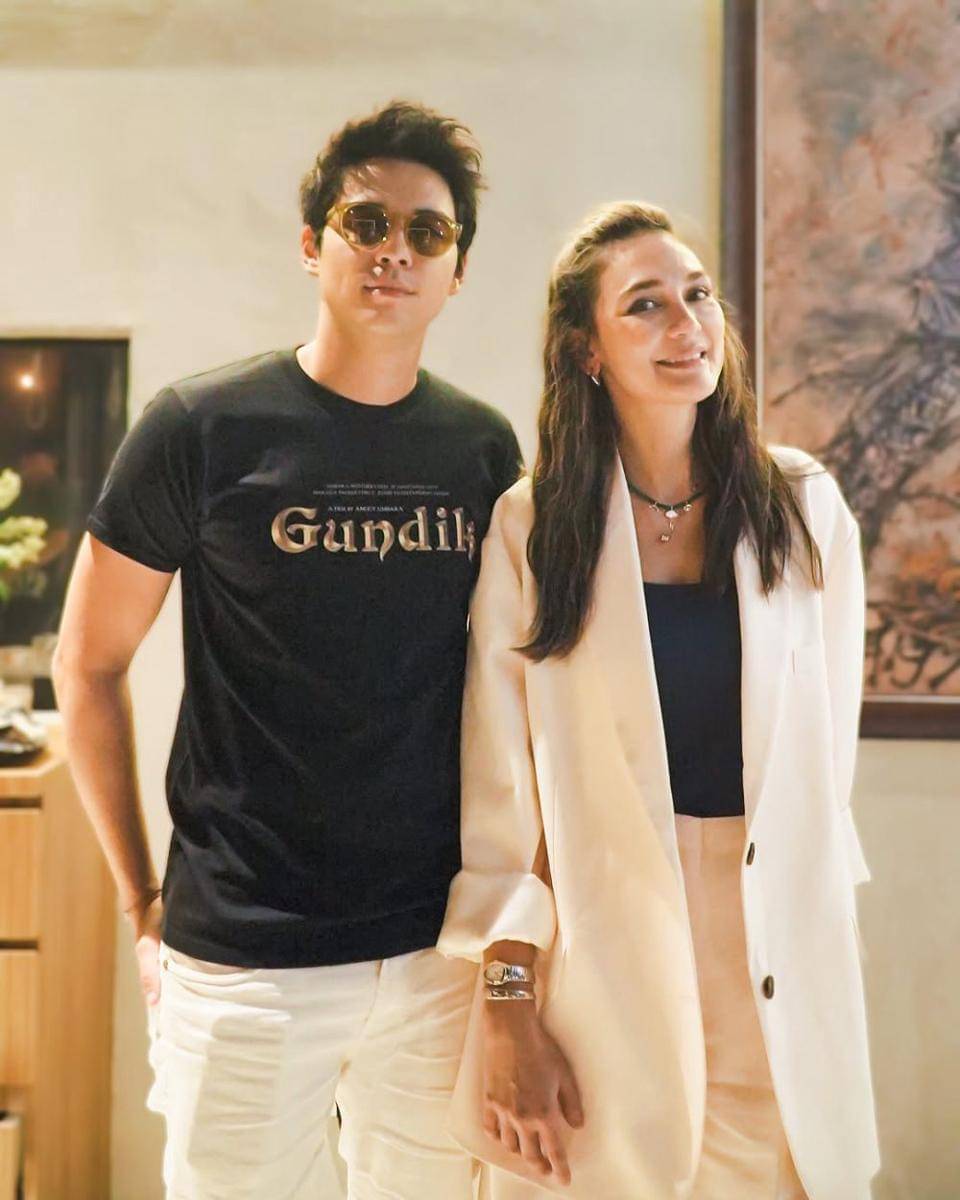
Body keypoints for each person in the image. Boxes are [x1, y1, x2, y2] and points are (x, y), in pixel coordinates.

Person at [52, 100, 522, 1200]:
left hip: (433, 952)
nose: (395, 250)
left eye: (427, 232)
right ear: (314, 244)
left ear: (456, 273)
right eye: (367, 222)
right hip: (243, 958)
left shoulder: (481, 449)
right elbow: (88, 665)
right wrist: (139, 900)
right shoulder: (201, 428)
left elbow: (519, 690)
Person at [437, 201, 880, 1199]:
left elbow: (823, 776)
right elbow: (501, 806)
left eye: (698, 295)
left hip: (777, 951)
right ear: (587, 350)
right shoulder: (534, 526)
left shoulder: (805, 509)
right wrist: (507, 1006)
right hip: (601, 955)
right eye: (645, 305)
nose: (687, 325)